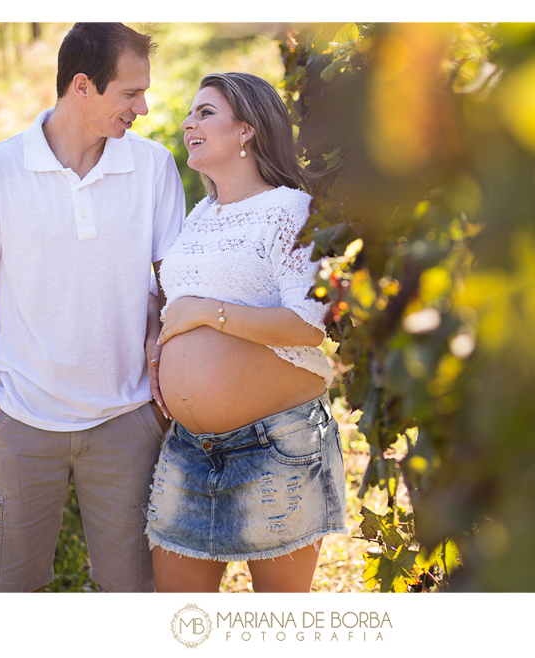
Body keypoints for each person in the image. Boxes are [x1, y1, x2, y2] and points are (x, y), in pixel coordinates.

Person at [0, 23, 184, 593]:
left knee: (134, 597)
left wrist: (160, 401)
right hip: (23, 423)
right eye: (130, 93)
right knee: (8, 592)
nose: (144, 108)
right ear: (83, 85)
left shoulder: (153, 167)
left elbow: (174, 284)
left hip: (129, 423)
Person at [144, 72, 346, 593]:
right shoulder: (200, 216)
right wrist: (158, 335)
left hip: (274, 444)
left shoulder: (287, 209)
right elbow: (174, 304)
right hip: (189, 446)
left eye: (205, 112)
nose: (188, 122)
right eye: (190, 113)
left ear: (248, 130)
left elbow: (309, 325)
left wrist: (210, 313)